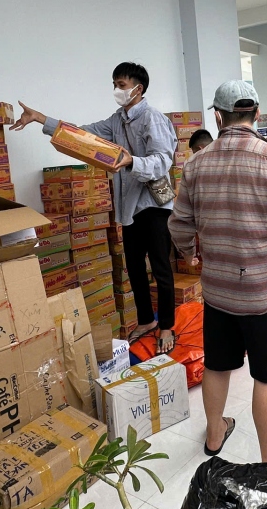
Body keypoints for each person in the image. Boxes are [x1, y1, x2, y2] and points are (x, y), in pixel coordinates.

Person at [168, 81, 267, 472]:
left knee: (218, 365)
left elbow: (179, 224)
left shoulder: (196, 164)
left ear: (217, 117)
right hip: (264, 292)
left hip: (217, 292)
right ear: (256, 114)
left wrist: (190, 255)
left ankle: (215, 434)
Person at [12, 61, 177, 352]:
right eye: (114, 84)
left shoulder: (152, 118)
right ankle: (145, 320)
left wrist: (131, 161)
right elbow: (82, 134)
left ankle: (166, 326)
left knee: (161, 268)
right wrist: (41, 119)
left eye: (121, 85)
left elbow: (164, 160)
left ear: (138, 89)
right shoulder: (117, 120)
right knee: (134, 267)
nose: (116, 90)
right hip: (129, 207)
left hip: (152, 204)